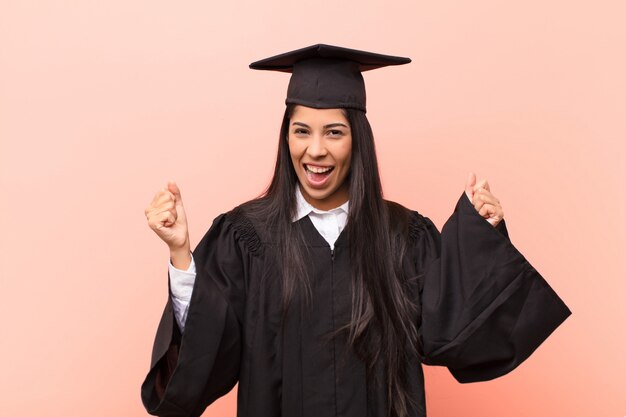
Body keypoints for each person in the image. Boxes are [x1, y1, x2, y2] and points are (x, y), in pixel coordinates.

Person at [141, 44, 571, 417]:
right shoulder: (247, 238)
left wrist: (483, 234)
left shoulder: (402, 237)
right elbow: (211, 352)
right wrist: (182, 255)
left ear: (357, 140)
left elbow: (452, 330)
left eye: (334, 132)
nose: (316, 150)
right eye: (301, 131)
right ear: (285, 139)